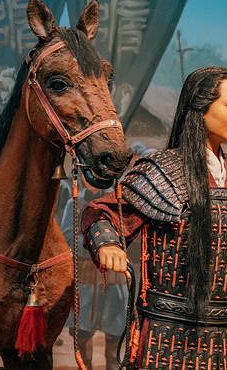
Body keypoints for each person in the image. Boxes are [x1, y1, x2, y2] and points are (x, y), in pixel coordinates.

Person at [81, 67, 227, 369]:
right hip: (168, 337)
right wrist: (108, 244)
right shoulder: (163, 171)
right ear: (201, 109)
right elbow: (102, 214)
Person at [60, 142, 155, 370]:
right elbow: (68, 238)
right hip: (85, 281)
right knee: (82, 340)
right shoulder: (75, 203)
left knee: (115, 344)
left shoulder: (118, 203)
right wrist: (96, 245)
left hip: (115, 282)